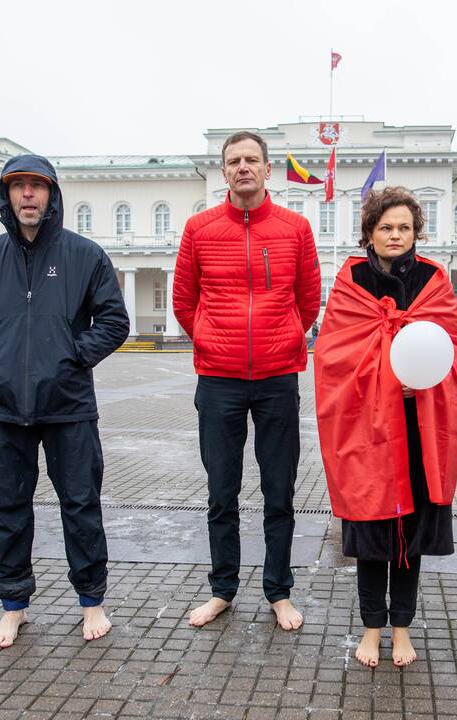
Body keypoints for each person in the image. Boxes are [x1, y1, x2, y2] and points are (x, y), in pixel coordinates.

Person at [0, 154, 130, 648]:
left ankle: (92, 601)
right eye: (18, 186)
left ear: (51, 195)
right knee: (7, 510)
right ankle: (14, 606)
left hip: (69, 407)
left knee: (80, 506)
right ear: (6, 196)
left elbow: (114, 321)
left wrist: (72, 356)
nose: (28, 194)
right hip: (4, 408)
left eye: (37, 186)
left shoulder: (84, 255)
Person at [314, 187, 457, 667]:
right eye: (386, 227)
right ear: (370, 232)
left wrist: (423, 382)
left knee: (410, 537)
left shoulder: (433, 280)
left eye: (404, 227)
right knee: (371, 535)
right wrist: (386, 376)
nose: (396, 235)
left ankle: (401, 627)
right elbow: (332, 355)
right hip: (368, 430)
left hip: (419, 426)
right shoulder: (351, 281)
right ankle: (370, 629)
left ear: (415, 232)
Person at [173, 131, 321, 631]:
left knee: (278, 491)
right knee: (222, 491)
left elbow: (307, 299)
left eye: (251, 159)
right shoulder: (199, 229)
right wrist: (214, 340)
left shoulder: (295, 229)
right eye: (233, 160)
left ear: (267, 169)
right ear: (224, 172)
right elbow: (183, 300)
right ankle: (222, 590)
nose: (242, 167)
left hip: (279, 377)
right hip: (219, 380)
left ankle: (279, 592)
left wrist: (279, 339)